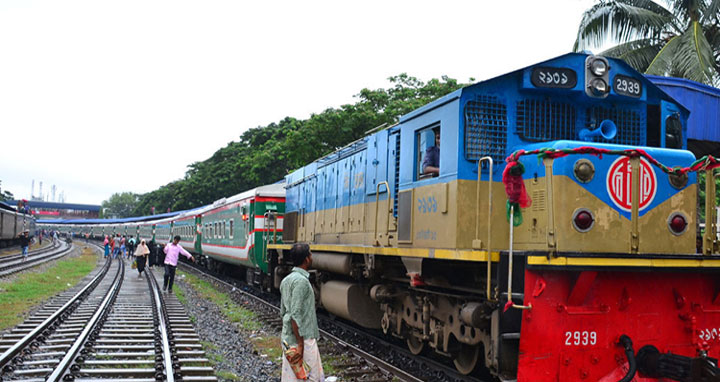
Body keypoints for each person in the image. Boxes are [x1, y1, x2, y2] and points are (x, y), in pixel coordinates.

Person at [279, 243, 324, 382]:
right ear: (306, 259)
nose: (311, 257)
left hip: (289, 338)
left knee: (292, 378)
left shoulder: (286, 280)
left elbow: (283, 311)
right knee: (311, 378)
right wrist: (300, 345)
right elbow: (295, 315)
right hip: (303, 339)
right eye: (310, 254)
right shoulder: (301, 282)